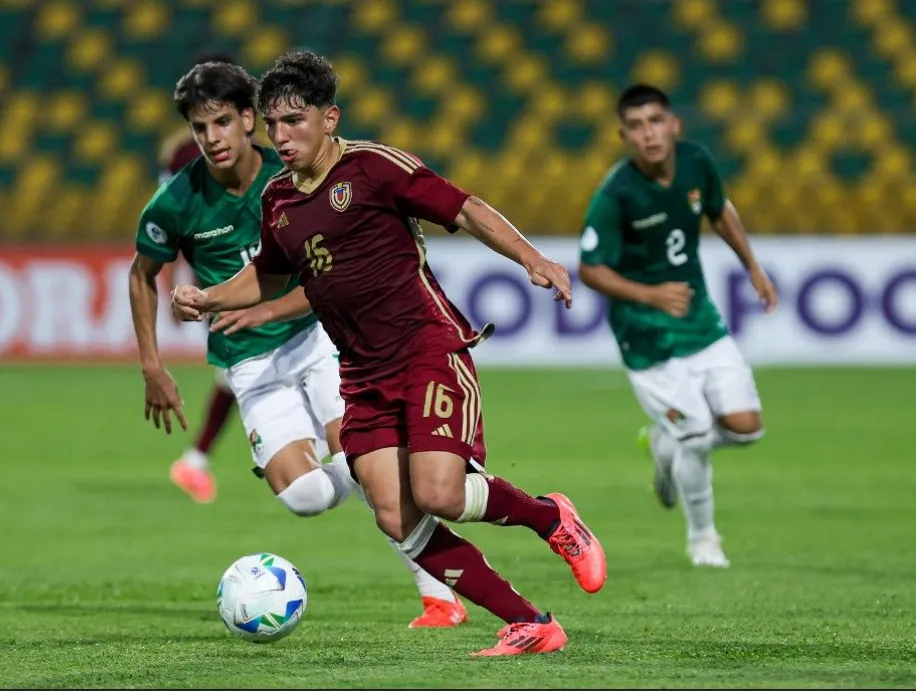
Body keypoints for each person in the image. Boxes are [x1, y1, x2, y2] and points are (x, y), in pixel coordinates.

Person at [170, 49, 607, 657]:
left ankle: (550, 517)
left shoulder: (374, 167)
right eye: (272, 124)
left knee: (439, 494)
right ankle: (531, 622)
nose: (281, 135)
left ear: (330, 118)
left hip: (426, 348)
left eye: (294, 121)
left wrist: (533, 259)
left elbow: (466, 207)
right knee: (396, 517)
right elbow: (269, 277)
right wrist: (210, 298)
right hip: (362, 372)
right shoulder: (278, 201)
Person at [128, 59, 468, 629]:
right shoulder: (176, 202)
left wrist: (256, 306)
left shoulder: (293, 181)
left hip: (319, 341)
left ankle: (438, 591)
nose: (211, 139)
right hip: (248, 361)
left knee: (360, 457)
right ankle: (378, 469)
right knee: (307, 497)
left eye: (221, 124)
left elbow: (329, 283)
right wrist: (151, 365)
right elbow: (141, 274)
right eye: (198, 128)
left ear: (247, 121)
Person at [576, 84, 778, 568]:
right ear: (624, 135)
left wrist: (751, 264)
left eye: (655, 121)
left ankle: (668, 443)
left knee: (747, 429)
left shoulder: (696, 162)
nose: (649, 134)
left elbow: (718, 209)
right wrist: (649, 294)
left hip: (699, 320)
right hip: (645, 336)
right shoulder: (617, 193)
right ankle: (704, 540)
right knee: (696, 435)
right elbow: (589, 268)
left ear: (673, 125)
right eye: (637, 126)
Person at [157, 51, 241, 505]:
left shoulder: (176, 150)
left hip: (234, 271)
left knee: (239, 373)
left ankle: (195, 462)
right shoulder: (232, 140)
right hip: (228, 275)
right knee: (241, 371)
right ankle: (195, 462)